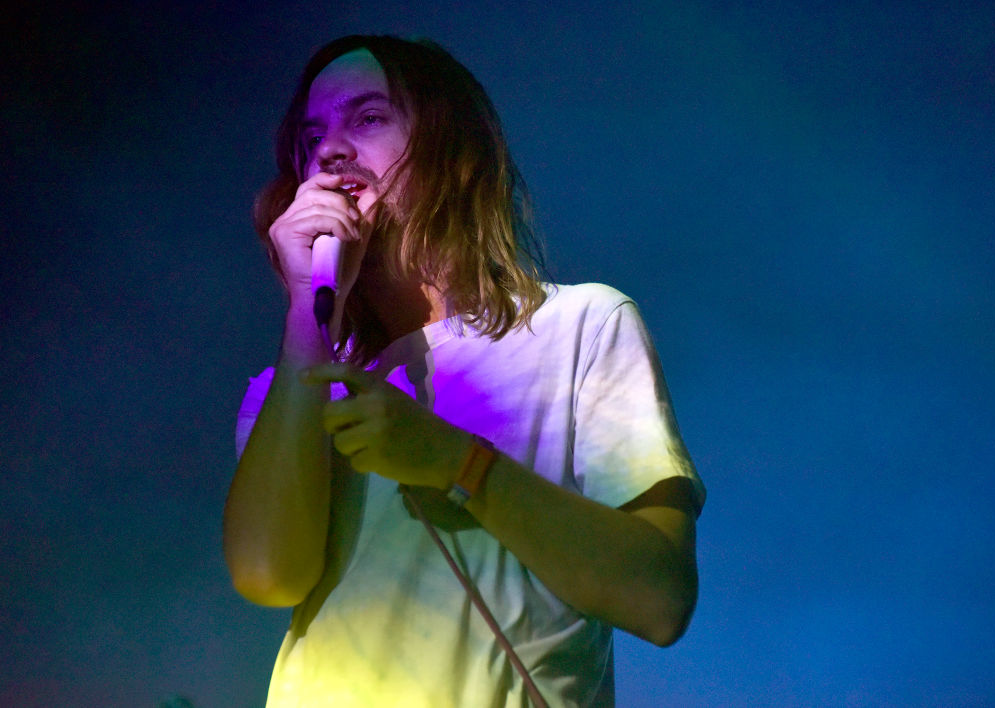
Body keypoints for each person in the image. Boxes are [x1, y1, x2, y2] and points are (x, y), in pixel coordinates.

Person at [223, 35, 705, 707]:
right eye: (312, 138)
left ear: (451, 152)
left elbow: (659, 598)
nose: (330, 150)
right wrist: (309, 308)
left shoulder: (583, 326)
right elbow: (266, 573)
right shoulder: (291, 386)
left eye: (368, 118)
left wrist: (458, 462)